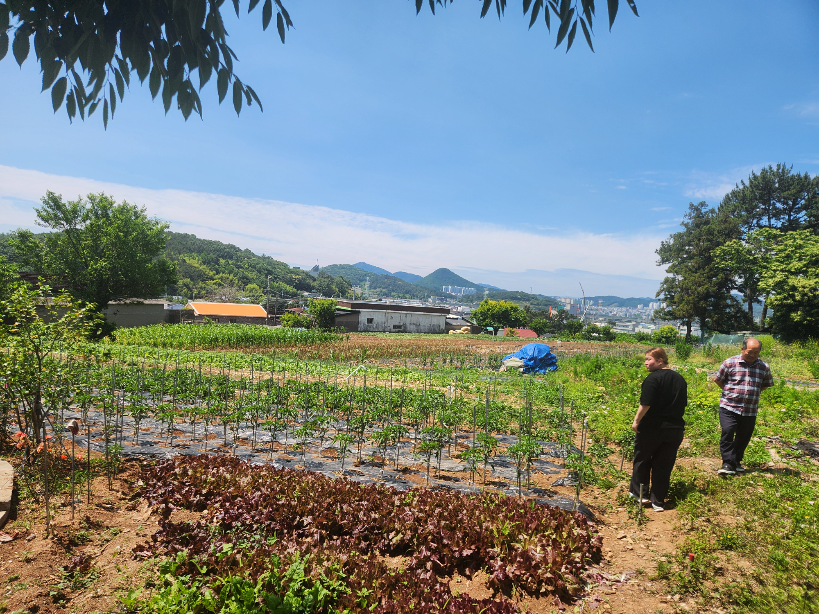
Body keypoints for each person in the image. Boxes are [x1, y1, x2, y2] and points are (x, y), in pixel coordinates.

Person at [630, 347, 687, 512]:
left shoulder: (652, 379)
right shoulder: (680, 379)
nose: (646, 363)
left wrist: (636, 421)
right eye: (645, 360)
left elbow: (645, 403)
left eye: (649, 359)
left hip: (652, 427)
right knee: (664, 464)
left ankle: (639, 496)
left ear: (660, 360)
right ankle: (658, 501)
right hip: (675, 428)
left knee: (642, 460)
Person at [713, 337, 773, 475]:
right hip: (729, 406)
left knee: (744, 436)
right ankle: (727, 464)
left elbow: (765, 385)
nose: (752, 355)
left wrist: (752, 393)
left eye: (756, 352)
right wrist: (731, 392)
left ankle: (736, 461)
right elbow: (718, 380)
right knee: (728, 431)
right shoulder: (729, 363)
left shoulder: (763, 367)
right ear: (742, 349)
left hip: (750, 410)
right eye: (750, 351)